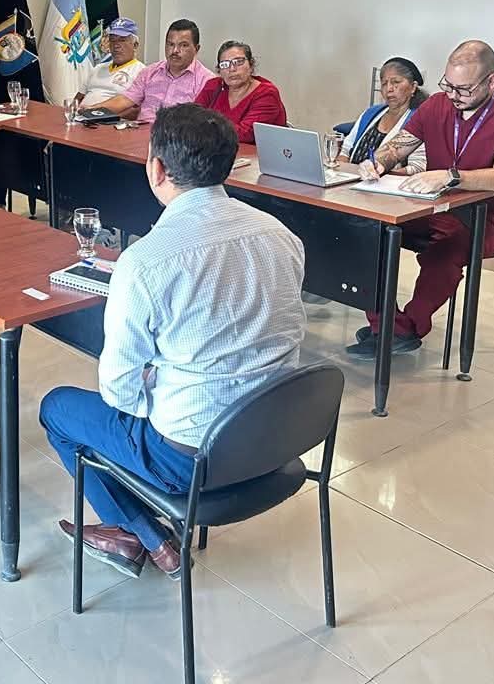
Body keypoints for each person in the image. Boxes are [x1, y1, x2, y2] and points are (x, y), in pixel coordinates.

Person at [40, 104, 306, 578]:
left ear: (157, 168)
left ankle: (145, 536)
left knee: (58, 409)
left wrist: (155, 391)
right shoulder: (282, 235)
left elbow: (118, 391)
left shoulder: (146, 261)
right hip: (276, 437)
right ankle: (144, 533)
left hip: (191, 459)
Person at [347, 40, 494, 359]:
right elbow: (399, 145)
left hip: (487, 217)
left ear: (491, 81)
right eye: (448, 85)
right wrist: (378, 162)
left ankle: (404, 329)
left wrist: (452, 176)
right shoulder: (437, 104)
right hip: (434, 206)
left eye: (464, 89)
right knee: (367, 231)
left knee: (447, 249)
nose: (453, 96)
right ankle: (388, 325)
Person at [81, 19, 214, 123]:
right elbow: (124, 100)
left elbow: (203, 123)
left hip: (178, 141)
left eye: (183, 45)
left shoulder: (207, 81)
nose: (175, 51)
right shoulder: (150, 72)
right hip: (140, 136)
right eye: (170, 44)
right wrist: (90, 110)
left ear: (196, 49)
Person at [337, 57, 429, 174]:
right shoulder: (371, 113)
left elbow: (417, 167)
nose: (389, 89)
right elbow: (345, 150)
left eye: (396, 82)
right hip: (354, 178)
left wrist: (379, 174)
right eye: (384, 83)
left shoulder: (419, 119)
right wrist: (342, 173)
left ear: (413, 87)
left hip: (389, 182)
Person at [193, 40, 287, 143]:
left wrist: (205, 126)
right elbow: (192, 117)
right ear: (219, 71)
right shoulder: (214, 86)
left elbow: (245, 134)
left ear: (251, 65)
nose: (232, 69)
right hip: (217, 149)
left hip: (257, 152)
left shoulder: (267, 94)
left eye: (238, 62)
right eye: (225, 64)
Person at [76, 17, 146, 107]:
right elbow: (78, 98)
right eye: (112, 40)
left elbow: (136, 110)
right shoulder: (98, 68)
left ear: (135, 45)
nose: (116, 45)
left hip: (109, 115)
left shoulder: (142, 72)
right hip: (81, 114)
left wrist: (93, 111)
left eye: (122, 40)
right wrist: (71, 112)